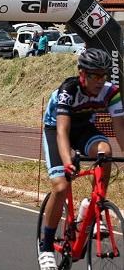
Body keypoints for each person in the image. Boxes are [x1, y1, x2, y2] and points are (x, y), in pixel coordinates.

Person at [38, 48, 124, 270]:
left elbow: (120, 129)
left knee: (105, 151)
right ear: (81, 74)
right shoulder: (68, 90)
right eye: (94, 75)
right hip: (57, 128)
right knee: (60, 186)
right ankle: (46, 247)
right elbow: (62, 132)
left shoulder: (111, 92)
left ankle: (94, 205)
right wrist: (67, 162)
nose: (99, 80)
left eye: (103, 75)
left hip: (84, 128)